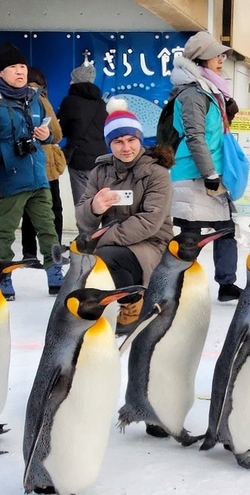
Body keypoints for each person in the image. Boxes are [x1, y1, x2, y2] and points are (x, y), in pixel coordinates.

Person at [0, 41, 62, 299]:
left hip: (38, 176)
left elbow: (49, 135)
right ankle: (3, 274)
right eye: (13, 67)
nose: (20, 71)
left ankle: (55, 271)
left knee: (48, 228)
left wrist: (44, 135)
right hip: (9, 179)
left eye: (22, 66)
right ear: (1, 72)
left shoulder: (35, 99)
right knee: (4, 231)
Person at [75, 101, 172, 334]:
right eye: (118, 141)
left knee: (106, 257)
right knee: (84, 260)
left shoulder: (156, 173)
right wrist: (94, 208)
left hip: (152, 243)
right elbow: (82, 218)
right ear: (110, 144)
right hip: (115, 241)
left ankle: (133, 304)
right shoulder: (101, 171)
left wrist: (100, 239)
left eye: (131, 140)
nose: (126, 147)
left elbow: (150, 221)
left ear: (140, 140)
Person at [167, 30, 243, 302]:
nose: (221, 59)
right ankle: (183, 285)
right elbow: (194, 135)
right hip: (193, 172)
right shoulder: (193, 93)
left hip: (213, 170)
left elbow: (211, 132)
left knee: (225, 230)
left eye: (221, 54)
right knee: (191, 233)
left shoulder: (211, 88)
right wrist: (208, 172)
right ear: (200, 60)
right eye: (215, 54)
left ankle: (226, 284)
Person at [21, 66, 65, 264]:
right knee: (54, 209)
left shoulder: (13, 98)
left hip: (23, 162)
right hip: (44, 165)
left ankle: (29, 254)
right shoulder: (41, 99)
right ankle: (55, 253)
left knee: (28, 210)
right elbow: (56, 133)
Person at [58, 56, 108, 207]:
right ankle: (102, 231)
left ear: (76, 81)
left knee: (82, 205)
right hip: (100, 160)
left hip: (79, 159)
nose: (69, 82)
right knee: (100, 203)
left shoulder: (70, 101)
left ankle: (86, 231)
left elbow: (60, 130)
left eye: (72, 79)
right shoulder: (101, 104)